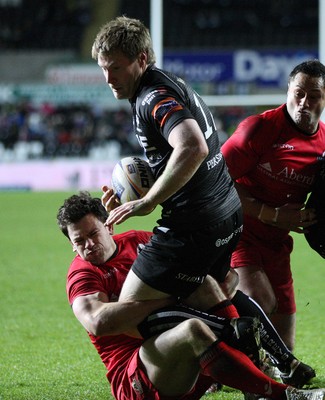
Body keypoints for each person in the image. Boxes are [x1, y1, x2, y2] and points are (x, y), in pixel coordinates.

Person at [94, 16, 316, 389]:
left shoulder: (152, 97)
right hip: (224, 211)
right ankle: (283, 359)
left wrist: (149, 200)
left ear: (142, 59)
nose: (109, 78)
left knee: (128, 314)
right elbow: (176, 156)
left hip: (191, 225)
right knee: (212, 289)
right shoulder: (168, 83)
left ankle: (234, 338)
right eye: (103, 69)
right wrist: (137, 188)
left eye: (116, 67)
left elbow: (192, 146)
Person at [57, 191, 324, 400]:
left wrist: (220, 277)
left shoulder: (139, 240)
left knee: (206, 283)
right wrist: (170, 299)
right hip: (139, 378)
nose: (89, 245)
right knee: (192, 330)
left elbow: (214, 276)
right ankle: (282, 393)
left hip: (191, 367)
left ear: (109, 226)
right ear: (71, 245)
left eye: (93, 233)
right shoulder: (82, 274)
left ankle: (261, 374)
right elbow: (97, 322)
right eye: (79, 241)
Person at [221, 59, 325, 354]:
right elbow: (214, 179)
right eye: (298, 93)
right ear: (288, 91)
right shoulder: (260, 129)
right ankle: (215, 358)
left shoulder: (324, 143)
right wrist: (272, 214)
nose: (304, 102)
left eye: (313, 95)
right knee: (260, 303)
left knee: (284, 349)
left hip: (278, 243)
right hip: (239, 233)